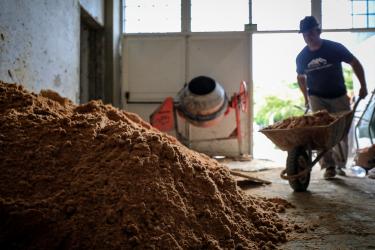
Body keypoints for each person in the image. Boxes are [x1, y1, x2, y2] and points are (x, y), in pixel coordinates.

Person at [296, 16, 368, 179]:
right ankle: (329, 166)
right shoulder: (302, 57)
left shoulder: (334, 48)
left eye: (311, 32)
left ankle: (340, 164)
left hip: (338, 95)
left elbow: (354, 63)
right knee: (321, 132)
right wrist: (306, 97)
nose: (309, 37)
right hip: (317, 96)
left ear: (318, 31)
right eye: (305, 34)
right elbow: (300, 77)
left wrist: (363, 85)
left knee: (342, 130)